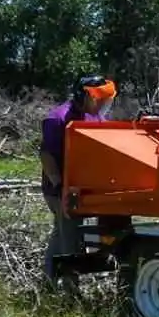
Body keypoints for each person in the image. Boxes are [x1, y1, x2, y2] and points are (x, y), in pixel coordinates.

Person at [38, 75, 117, 292]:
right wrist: (59, 184)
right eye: (98, 100)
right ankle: (71, 290)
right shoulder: (57, 119)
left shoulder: (94, 118)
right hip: (61, 189)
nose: (102, 105)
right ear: (84, 96)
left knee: (61, 233)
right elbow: (46, 155)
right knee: (71, 238)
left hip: (82, 187)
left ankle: (49, 282)